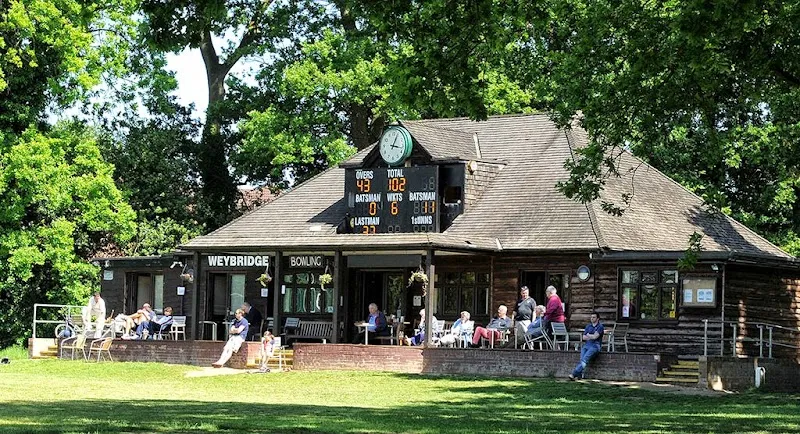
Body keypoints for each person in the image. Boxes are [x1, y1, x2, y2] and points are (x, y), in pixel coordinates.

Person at [569, 312, 605, 380]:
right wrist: (591, 336)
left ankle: (574, 374)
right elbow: (583, 338)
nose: (592, 318)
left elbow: (595, 337)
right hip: (586, 345)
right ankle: (579, 375)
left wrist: (588, 335)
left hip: (595, 346)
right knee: (582, 359)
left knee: (585, 359)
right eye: (591, 317)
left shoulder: (600, 327)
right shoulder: (588, 326)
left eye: (594, 317)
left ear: (598, 319)